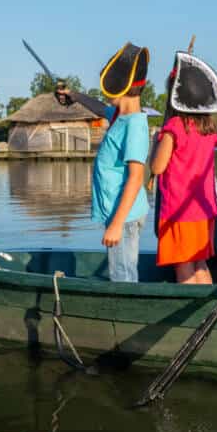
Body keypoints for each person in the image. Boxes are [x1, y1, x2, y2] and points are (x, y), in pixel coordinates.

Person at [57, 42, 150, 282]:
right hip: (117, 211)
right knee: (121, 269)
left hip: (125, 216)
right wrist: (74, 96)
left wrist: (117, 224)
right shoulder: (120, 115)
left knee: (122, 274)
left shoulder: (135, 126)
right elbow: (100, 108)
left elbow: (136, 177)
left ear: (117, 89)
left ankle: (127, 314)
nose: (105, 95)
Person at [151, 51, 217, 284]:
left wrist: (155, 144)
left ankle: (190, 316)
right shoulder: (209, 130)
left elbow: (158, 166)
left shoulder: (174, 127)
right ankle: (206, 306)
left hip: (179, 211)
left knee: (183, 264)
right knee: (199, 262)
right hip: (204, 211)